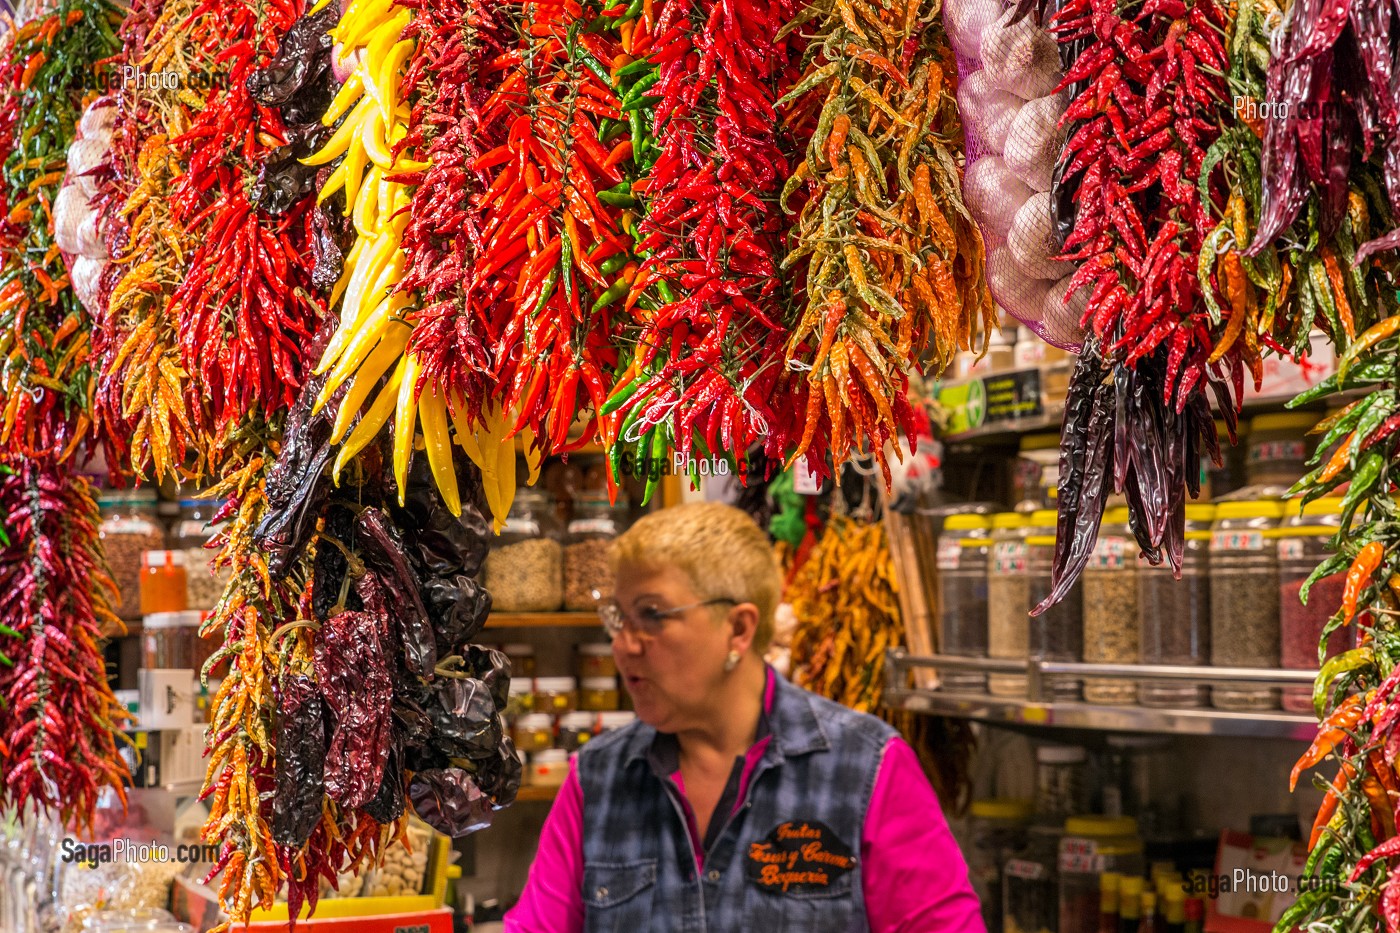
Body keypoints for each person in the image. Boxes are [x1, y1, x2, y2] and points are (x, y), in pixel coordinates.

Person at [505, 502, 983, 932]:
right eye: (618, 617)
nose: (623, 644)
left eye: (651, 615)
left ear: (738, 628)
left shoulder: (866, 767)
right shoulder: (599, 778)